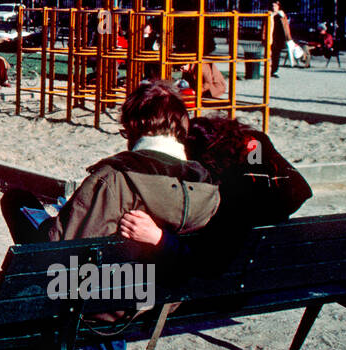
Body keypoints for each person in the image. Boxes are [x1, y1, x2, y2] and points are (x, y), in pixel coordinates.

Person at [0, 80, 221, 350]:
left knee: (18, 204)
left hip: (102, 300)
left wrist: (55, 220)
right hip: (160, 296)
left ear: (135, 125)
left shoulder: (115, 177)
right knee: (117, 259)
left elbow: (62, 251)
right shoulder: (205, 184)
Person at [117, 114, 312, 279]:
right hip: (265, 272)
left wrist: (159, 238)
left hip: (225, 287)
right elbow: (300, 189)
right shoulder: (255, 149)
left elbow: (206, 262)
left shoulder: (231, 202)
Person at [268, 0, 294, 76]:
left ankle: (274, 70)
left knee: (276, 55)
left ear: (278, 7)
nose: (273, 7)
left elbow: (286, 27)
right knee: (269, 54)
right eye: (272, 6)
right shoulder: (269, 15)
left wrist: (288, 38)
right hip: (271, 36)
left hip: (279, 37)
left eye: (275, 6)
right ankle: (268, 70)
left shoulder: (281, 15)